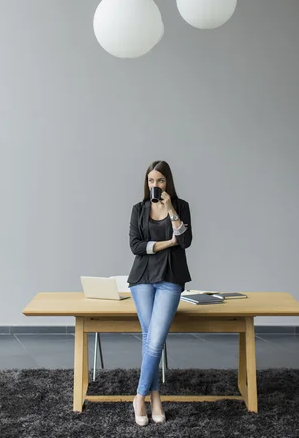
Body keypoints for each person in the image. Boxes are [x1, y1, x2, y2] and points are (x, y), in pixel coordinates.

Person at [127, 160, 193, 426]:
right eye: (151, 181)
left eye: (160, 181)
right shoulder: (138, 209)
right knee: (148, 337)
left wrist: (171, 211)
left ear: (168, 183)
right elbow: (135, 246)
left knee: (154, 341)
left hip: (170, 278)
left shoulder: (181, 206)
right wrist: (167, 243)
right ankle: (155, 397)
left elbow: (186, 241)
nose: (155, 185)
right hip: (142, 278)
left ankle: (139, 396)